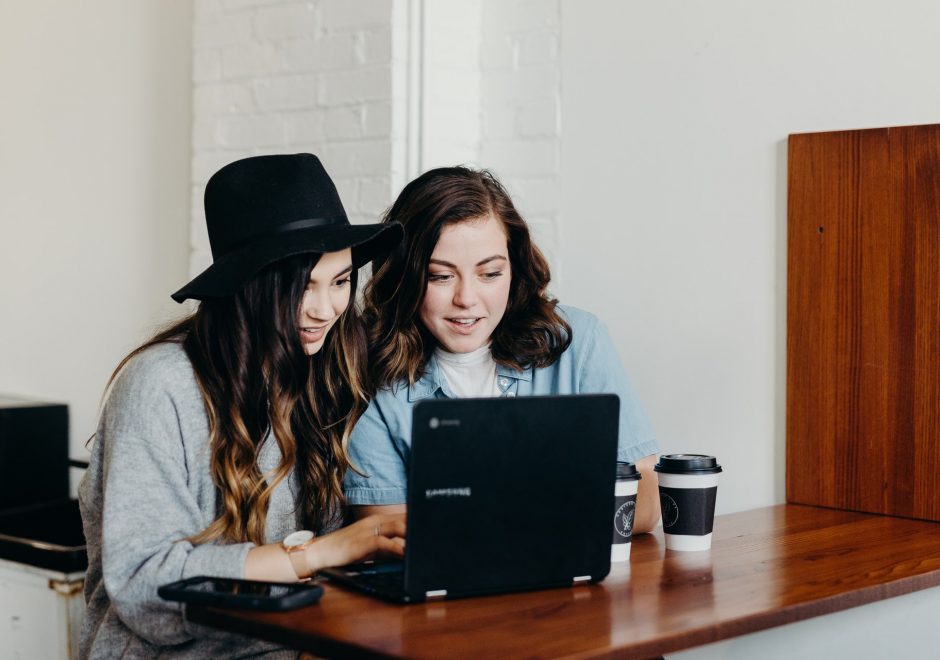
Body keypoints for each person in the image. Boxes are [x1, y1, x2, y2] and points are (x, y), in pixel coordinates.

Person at [79, 154, 405, 658]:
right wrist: (317, 553)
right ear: (250, 285)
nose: (325, 309)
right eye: (302, 286)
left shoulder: (322, 372)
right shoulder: (161, 385)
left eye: (340, 282)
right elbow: (146, 586)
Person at [343, 166, 661, 533]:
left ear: (515, 267)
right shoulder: (368, 369)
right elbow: (384, 532)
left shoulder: (577, 341)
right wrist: (557, 502)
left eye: (490, 274)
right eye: (440, 276)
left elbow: (645, 502)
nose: (466, 299)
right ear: (404, 277)